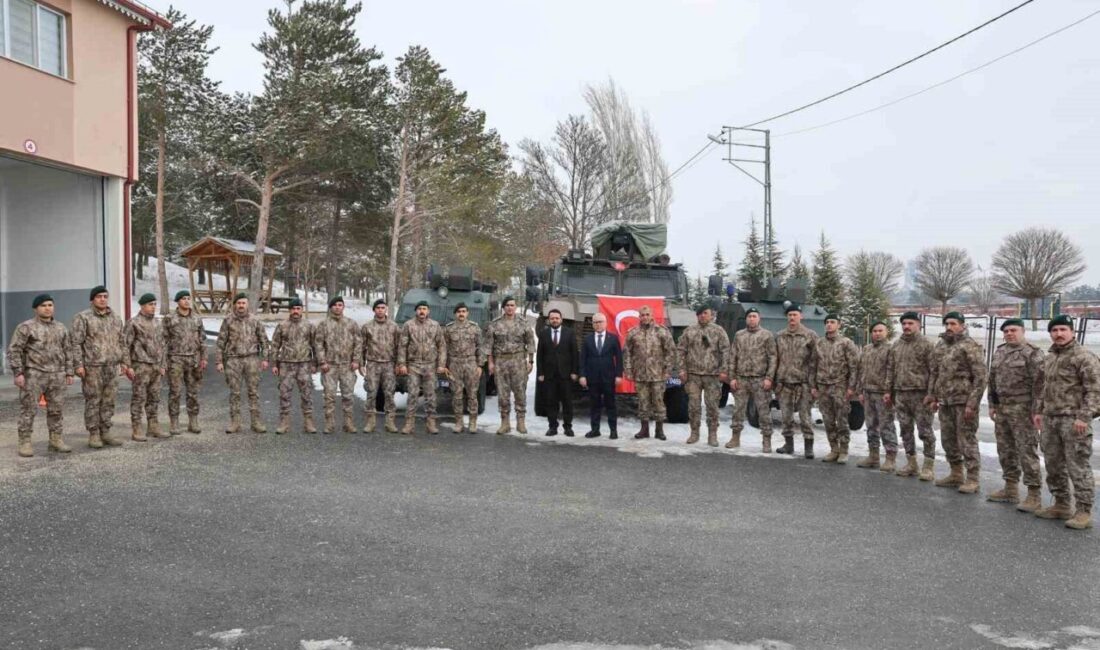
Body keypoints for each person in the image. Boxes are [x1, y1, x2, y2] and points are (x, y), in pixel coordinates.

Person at [1033, 315, 1099, 530]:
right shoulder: (1050, 357)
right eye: (1055, 330)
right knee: (1053, 464)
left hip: (1073, 420)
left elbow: (1094, 390)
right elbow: (1044, 387)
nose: (1059, 334)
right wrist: (1039, 411)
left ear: (1072, 332)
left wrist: (1084, 416)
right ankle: (1061, 504)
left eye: (1063, 329)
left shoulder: (1084, 357)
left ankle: (1083, 511)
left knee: (1078, 466)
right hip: (1051, 419)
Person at [987, 318, 1044, 509]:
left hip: (1023, 410)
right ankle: (1010, 488)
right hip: (1003, 409)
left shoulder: (1032, 353)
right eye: (1006, 331)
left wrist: (1037, 410)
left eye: (1013, 330)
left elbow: (1040, 385)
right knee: (1005, 450)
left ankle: (1034, 494)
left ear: (1023, 331)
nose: (1009, 333)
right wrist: (992, 404)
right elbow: (992, 380)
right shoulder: (1000, 351)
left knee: (1027, 451)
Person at [7, 294, 74, 457]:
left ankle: (56, 439)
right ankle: (25, 442)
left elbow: (68, 350)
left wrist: (69, 371)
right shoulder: (26, 327)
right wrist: (18, 373)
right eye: (43, 305)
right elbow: (14, 350)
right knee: (28, 409)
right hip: (34, 375)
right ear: (36, 309)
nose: (47, 308)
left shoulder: (60, 327)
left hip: (57, 375)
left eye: (50, 305)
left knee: (56, 410)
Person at [928, 312, 987, 494]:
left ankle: (972, 478)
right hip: (945, 401)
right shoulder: (941, 346)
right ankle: (956, 473)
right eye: (947, 324)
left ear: (962, 325)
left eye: (953, 323)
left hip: (963, 401)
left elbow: (981, 377)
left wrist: (973, 403)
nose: (949, 327)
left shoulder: (970, 346)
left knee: (966, 439)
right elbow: (935, 373)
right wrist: (933, 396)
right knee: (948, 439)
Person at [70, 285, 125, 448]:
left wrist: (124, 362)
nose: (102, 299)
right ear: (92, 299)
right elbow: (75, 343)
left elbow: (122, 341)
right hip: (92, 367)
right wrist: (78, 365)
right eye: (99, 296)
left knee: (109, 400)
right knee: (93, 400)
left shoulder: (115, 318)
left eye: (105, 296)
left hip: (111, 366)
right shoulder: (83, 318)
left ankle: (106, 431)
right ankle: (94, 434)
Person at [886, 311, 937, 479]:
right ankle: (911, 463)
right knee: (905, 430)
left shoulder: (927, 344)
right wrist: (888, 391)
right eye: (904, 323)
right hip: (901, 394)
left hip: (920, 395)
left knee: (925, 431)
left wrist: (932, 394)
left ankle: (928, 466)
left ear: (918, 325)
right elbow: (890, 370)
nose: (906, 326)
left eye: (910, 323)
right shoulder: (896, 345)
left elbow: (934, 372)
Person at [215, 293, 269, 433]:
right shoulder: (228, 321)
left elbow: (264, 340)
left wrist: (265, 359)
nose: (241, 306)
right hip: (233, 360)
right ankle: (235, 422)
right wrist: (219, 361)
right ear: (235, 305)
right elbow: (221, 342)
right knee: (235, 393)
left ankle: (256, 422)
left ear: (247, 304)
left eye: (243, 303)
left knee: (253, 392)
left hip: (251, 359)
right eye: (238, 303)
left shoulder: (255, 320)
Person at [677, 305, 730, 446]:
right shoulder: (689, 331)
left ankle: (712, 435)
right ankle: (694, 433)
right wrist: (681, 369)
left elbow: (726, 351)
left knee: (712, 406)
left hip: (712, 375)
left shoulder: (718, 331)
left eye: (705, 313)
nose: (702, 316)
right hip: (693, 375)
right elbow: (681, 350)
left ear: (711, 314)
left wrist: (724, 370)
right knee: (693, 406)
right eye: (700, 313)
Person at [728, 308, 777, 452]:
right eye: (749, 316)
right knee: (738, 410)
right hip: (742, 379)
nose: (751, 319)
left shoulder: (767, 335)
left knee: (763, 412)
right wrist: (732, 377)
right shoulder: (739, 335)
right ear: (746, 319)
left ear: (759, 318)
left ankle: (766, 441)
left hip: (760, 379)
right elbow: (733, 357)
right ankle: (735, 438)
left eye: (754, 316)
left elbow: (772, 358)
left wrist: (769, 378)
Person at [623, 305, 676, 441]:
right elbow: (627, 353)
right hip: (640, 375)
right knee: (643, 402)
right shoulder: (633, 333)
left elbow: (671, 351)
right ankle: (644, 429)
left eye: (647, 314)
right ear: (639, 317)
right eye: (642, 315)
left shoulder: (661, 331)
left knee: (658, 402)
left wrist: (668, 370)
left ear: (651, 316)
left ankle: (659, 430)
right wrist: (628, 370)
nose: (645, 317)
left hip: (658, 375)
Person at [812, 313, 860, 464]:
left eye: (832, 322)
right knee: (828, 420)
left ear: (839, 325)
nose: (829, 325)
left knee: (842, 419)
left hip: (840, 386)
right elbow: (813, 366)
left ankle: (844, 450)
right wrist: (813, 386)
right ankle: (834, 449)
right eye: (827, 322)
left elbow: (854, 367)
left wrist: (852, 387)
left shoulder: (846, 343)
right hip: (823, 387)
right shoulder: (819, 343)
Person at [486, 297, 535, 434]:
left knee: (520, 392)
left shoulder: (523, 323)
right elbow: (489, 346)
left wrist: (531, 361)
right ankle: (505, 423)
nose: (510, 307)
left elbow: (530, 343)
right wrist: (490, 363)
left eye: (512, 305)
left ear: (515, 307)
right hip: (501, 362)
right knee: (503, 394)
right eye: (507, 305)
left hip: (518, 361)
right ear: (503, 307)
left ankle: (521, 422)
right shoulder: (495, 324)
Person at [774, 304, 818, 457]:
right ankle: (788, 444)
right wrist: (775, 380)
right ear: (787, 317)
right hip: (785, 382)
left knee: (805, 416)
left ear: (801, 316)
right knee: (786, 416)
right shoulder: (780, 335)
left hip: (803, 383)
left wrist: (813, 384)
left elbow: (815, 361)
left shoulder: (810, 336)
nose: (792, 317)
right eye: (790, 315)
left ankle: (808, 447)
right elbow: (775, 359)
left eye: (795, 314)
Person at [314, 296, 362, 433]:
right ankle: (329, 424)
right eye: (335, 305)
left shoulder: (351, 324)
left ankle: (348, 423)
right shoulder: (324, 325)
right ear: (331, 308)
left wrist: (356, 360)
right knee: (329, 396)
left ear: (343, 307)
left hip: (347, 366)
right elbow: (318, 344)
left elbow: (358, 343)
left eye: (340, 305)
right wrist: (322, 362)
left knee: (348, 396)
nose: (337, 307)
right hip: (330, 366)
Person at [122, 293, 167, 442]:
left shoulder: (157, 323)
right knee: (139, 398)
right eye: (150, 304)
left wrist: (162, 364)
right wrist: (128, 366)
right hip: (141, 365)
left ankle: (153, 426)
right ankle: (137, 428)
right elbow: (125, 346)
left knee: (154, 397)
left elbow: (162, 345)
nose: (153, 307)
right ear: (142, 306)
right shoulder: (133, 323)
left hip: (155, 366)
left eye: (154, 304)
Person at [397, 300, 446, 435]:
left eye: (424, 309)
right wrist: (402, 364)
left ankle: (431, 423)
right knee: (412, 394)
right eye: (419, 309)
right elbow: (402, 346)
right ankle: (409, 424)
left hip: (430, 365)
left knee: (430, 395)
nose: (422, 311)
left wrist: (441, 365)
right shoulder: (408, 325)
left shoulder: (435, 325)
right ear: (416, 311)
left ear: (428, 311)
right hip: (413, 365)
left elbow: (442, 346)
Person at [855, 321, 898, 472]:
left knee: (886, 425)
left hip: (883, 394)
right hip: (868, 392)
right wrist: (860, 391)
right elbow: (861, 371)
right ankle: (873, 456)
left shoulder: (891, 349)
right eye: (874, 331)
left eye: (880, 331)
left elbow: (892, 372)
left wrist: (889, 391)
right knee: (871, 426)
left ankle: (890, 457)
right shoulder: (866, 349)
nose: (877, 333)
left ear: (886, 332)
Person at [162, 290, 206, 435]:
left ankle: (193, 421)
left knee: (193, 392)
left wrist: (204, 358)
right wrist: (163, 361)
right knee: (175, 392)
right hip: (175, 359)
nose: (186, 301)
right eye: (183, 299)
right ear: (177, 301)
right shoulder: (170, 318)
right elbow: (163, 341)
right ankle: (174, 422)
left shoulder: (196, 319)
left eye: (188, 298)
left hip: (193, 360)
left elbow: (202, 340)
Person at [271, 298, 317, 434]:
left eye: (298, 308)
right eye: (293, 309)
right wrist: (275, 363)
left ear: (302, 309)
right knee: (284, 394)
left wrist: (315, 364)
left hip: (304, 364)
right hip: (286, 365)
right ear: (289, 310)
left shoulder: (309, 326)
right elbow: (274, 345)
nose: (295, 311)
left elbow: (316, 346)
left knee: (307, 394)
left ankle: (308, 422)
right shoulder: (282, 325)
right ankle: (284, 422)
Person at [579, 312, 622, 439]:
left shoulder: (613, 338)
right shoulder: (587, 339)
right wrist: (582, 375)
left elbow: (619, 358)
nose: (598, 324)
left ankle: (613, 431)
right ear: (592, 324)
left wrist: (619, 375)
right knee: (594, 405)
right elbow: (583, 359)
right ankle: (595, 430)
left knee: (611, 405)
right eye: (595, 322)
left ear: (605, 323)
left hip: (609, 377)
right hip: (592, 378)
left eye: (600, 322)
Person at [444, 303, 485, 433]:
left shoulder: (474, 328)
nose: (461, 314)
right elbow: (444, 348)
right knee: (457, 395)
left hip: (471, 364)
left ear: (467, 313)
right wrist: (444, 365)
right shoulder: (449, 329)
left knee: (472, 395)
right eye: (459, 312)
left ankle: (473, 422)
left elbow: (481, 348)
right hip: (455, 365)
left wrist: (480, 365)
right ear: (455, 314)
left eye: (463, 311)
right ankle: (459, 422)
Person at [537, 308, 578, 437]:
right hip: (549, 375)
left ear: (561, 319)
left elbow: (574, 354)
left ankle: (568, 427)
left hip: (566, 374)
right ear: (549, 320)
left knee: (567, 402)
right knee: (551, 402)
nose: (555, 320)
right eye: (552, 318)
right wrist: (540, 373)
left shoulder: (569, 333)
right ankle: (552, 427)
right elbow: (540, 355)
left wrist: (574, 371)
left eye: (557, 318)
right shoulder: (544, 334)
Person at [361, 299, 399, 433]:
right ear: (374, 310)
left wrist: (399, 364)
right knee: (371, 393)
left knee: (389, 393)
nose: (380, 310)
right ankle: (370, 422)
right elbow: (362, 347)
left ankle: (390, 422)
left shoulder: (394, 327)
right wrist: (361, 363)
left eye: (383, 307)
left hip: (389, 364)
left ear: (386, 309)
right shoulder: (367, 327)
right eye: (378, 308)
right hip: (372, 364)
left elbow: (398, 347)